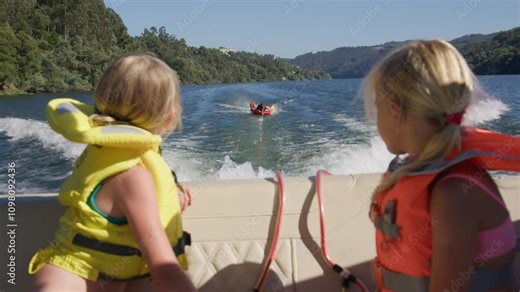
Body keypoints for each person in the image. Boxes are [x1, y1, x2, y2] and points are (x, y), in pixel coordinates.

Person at [28, 54, 196, 292]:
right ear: (169, 118)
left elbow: (123, 202)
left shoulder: (106, 150)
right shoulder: (133, 177)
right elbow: (164, 269)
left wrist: (171, 194)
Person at [363, 40, 519, 291]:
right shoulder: (431, 174)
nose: (375, 118)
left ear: (395, 111)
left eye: (376, 107)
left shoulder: (453, 194)